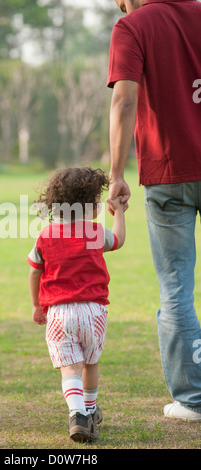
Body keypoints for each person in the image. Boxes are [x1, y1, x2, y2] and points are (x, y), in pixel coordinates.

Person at [107, 0, 201, 420]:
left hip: (167, 173)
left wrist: (115, 172)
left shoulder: (132, 26)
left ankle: (192, 401)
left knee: (176, 290)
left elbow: (124, 100)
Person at [27, 167, 126, 442]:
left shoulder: (45, 235)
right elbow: (117, 240)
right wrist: (118, 212)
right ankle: (91, 409)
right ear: (92, 207)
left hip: (59, 313)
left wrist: (37, 306)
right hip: (94, 311)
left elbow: (35, 271)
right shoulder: (95, 232)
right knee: (90, 363)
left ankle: (77, 415)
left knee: (69, 368)